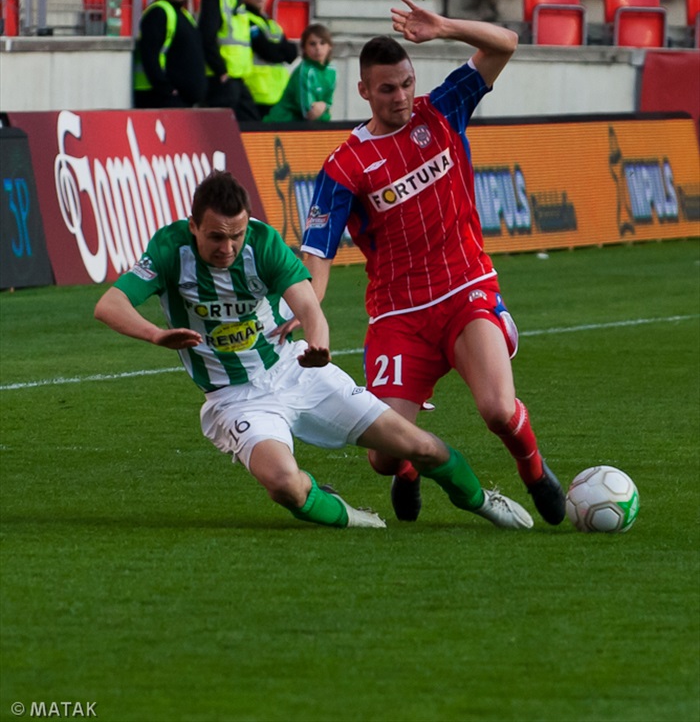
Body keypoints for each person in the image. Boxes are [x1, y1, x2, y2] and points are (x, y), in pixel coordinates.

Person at [94, 169, 534, 531]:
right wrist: (155, 334)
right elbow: (108, 303)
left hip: (297, 371)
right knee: (284, 483)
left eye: (236, 235)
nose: (227, 247)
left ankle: (481, 501)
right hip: (235, 397)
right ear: (193, 227)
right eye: (215, 237)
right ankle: (346, 513)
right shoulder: (170, 249)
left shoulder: (263, 243)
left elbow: (308, 305)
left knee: (419, 446)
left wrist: (319, 345)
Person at [300, 0, 567, 526]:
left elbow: (506, 43)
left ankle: (534, 470)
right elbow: (318, 252)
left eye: (405, 84)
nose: (400, 97)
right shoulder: (344, 165)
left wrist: (443, 27)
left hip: (465, 288)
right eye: (386, 89)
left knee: (497, 411)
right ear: (363, 92)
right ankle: (407, 471)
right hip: (399, 315)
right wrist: (310, 312)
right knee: (382, 455)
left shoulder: (441, 110)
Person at [197, 0, 270, 122]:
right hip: (222, 76)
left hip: (236, 76)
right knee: (220, 128)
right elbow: (207, 34)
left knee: (250, 123)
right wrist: (220, 70)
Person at [133, 0, 207, 109]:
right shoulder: (158, 12)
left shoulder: (185, 15)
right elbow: (149, 55)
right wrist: (166, 89)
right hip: (161, 100)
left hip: (181, 102)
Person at [238, 0, 298, 118]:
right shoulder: (243, 19)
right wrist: (280, 50)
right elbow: (268, 51)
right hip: (256, 92)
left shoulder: (271, 24)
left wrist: (280, 51)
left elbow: (292, 53)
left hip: (278, 93)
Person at [265, 23, 336, 123]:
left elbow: (328, 102)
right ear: (304, 48)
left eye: (322, 43)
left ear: (330, 46)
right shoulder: (304, 71)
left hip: (303, 124)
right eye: (312, 44)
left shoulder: (332, 70)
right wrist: (324, 113)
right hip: (282, 123)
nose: (318, 48)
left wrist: (323, 106)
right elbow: (307, 111)